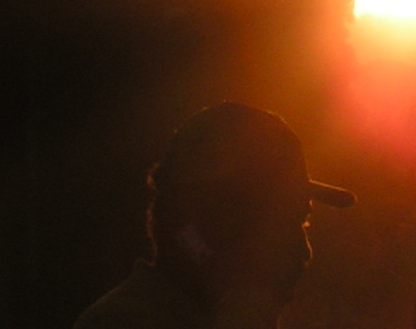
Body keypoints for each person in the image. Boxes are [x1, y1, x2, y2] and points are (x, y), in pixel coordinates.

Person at [74, 103, 354, 329]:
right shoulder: (126, 322)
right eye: (278, 224)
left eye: (302, 221)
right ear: (215, 223)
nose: (303, 250)